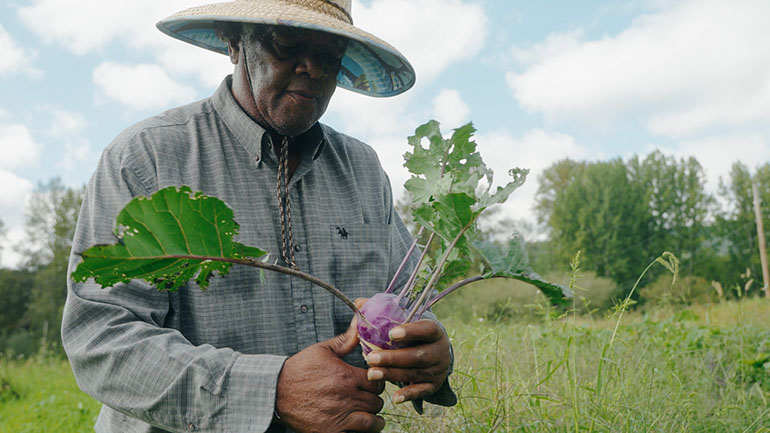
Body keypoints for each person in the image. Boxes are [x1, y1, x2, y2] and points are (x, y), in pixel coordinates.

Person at [62, 1, 456, 432]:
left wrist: (428, 350)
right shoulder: (147, 159)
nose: (313, 68)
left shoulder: (361, 169)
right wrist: (270, 390)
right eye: (288, 42)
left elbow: (404, 296)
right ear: (234, 41)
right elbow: (101, 337)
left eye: (331, 54)